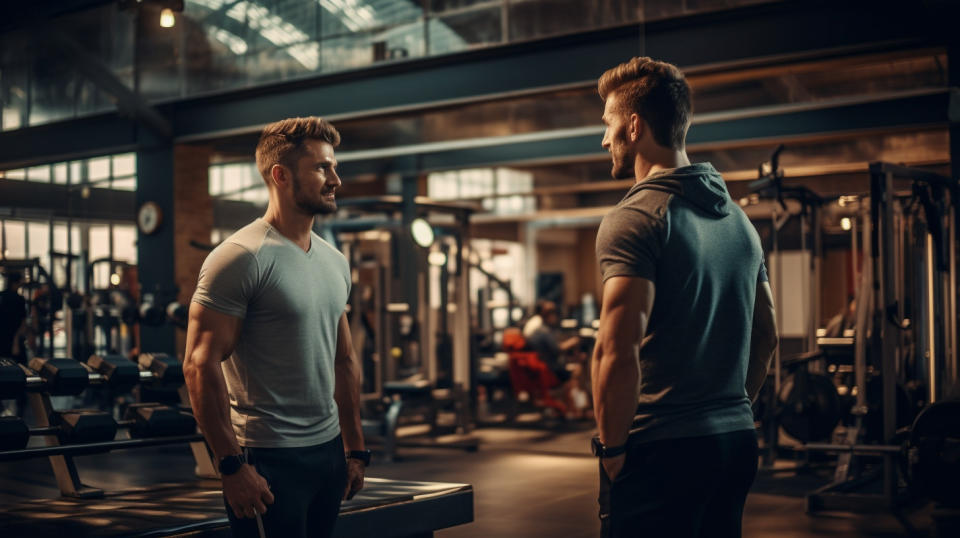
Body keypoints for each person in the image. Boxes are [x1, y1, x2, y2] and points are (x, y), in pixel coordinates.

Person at [590, 57, 779, 538]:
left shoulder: (635, 218)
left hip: (663, 446)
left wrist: (612, 449)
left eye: (609, 124)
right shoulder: (741, 223)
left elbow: (617, 348)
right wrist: (732, 409)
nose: (605, 139)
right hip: (734, 443)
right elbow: (767, 334)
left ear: (634, 126)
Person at [183, 117, 368, 538]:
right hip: (268, 457)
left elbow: (344, 359)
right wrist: (230, 466)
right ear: (280, 175)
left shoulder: (334, 261)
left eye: (334, 166)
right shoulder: (240, 257)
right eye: (322, 168)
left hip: (327, 453)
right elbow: (199, 366)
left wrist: (355, 447)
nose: (335, 179)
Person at [523, 300, 585, 416]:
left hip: (543, 366)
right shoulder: (541, 330)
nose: (555, 314)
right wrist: (573, 342)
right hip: (549, 368)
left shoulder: (536, 328)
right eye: (551, 311)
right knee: (577, 373)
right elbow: (557, 349)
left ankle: (573, 407)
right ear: (544, 313)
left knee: (574, 369)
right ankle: (577, 409)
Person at [0, 271, 28, 361]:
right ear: (17, 282)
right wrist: (16, 341)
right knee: (19, 366)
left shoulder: (1, 296)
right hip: (15, 338)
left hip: (2, 337)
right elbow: (23, 321)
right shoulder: (19, 299)